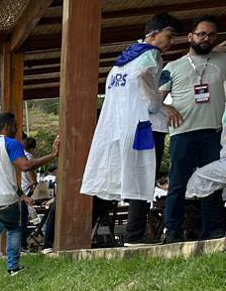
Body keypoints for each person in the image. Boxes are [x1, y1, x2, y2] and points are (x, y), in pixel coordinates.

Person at [82, 14, 183, 245]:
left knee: (130, 175)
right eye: (169, 37)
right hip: (144, 128)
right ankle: (134, 235)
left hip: (120, 126)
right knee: (144, 176)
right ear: (154, 34)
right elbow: (144, 83)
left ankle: (130, 233)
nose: (170, 43)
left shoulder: (123, 59)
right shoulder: (152, 55)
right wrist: (162, 106)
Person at [0, 113, 59, 291]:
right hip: (5, 200)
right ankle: (13, 267)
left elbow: (1, 178)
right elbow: (25, 166)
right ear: (7, 125)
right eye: (15, 124)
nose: (17, 127)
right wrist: (52, 155)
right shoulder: (11, 144)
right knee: (13, 229)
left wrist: (22, 194)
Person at [160, 15, 226, 241]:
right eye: (201, 34)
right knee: (178, 183)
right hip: (183, 134)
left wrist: (217, 50)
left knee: (212, 183)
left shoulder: (221, 60)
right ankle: (173, 232)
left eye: (211, 34)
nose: (206, 38)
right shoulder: (172, 66)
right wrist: (165, 108)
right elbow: (154, 98)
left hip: (212, 133)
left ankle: (215, 230)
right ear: (190, 37)